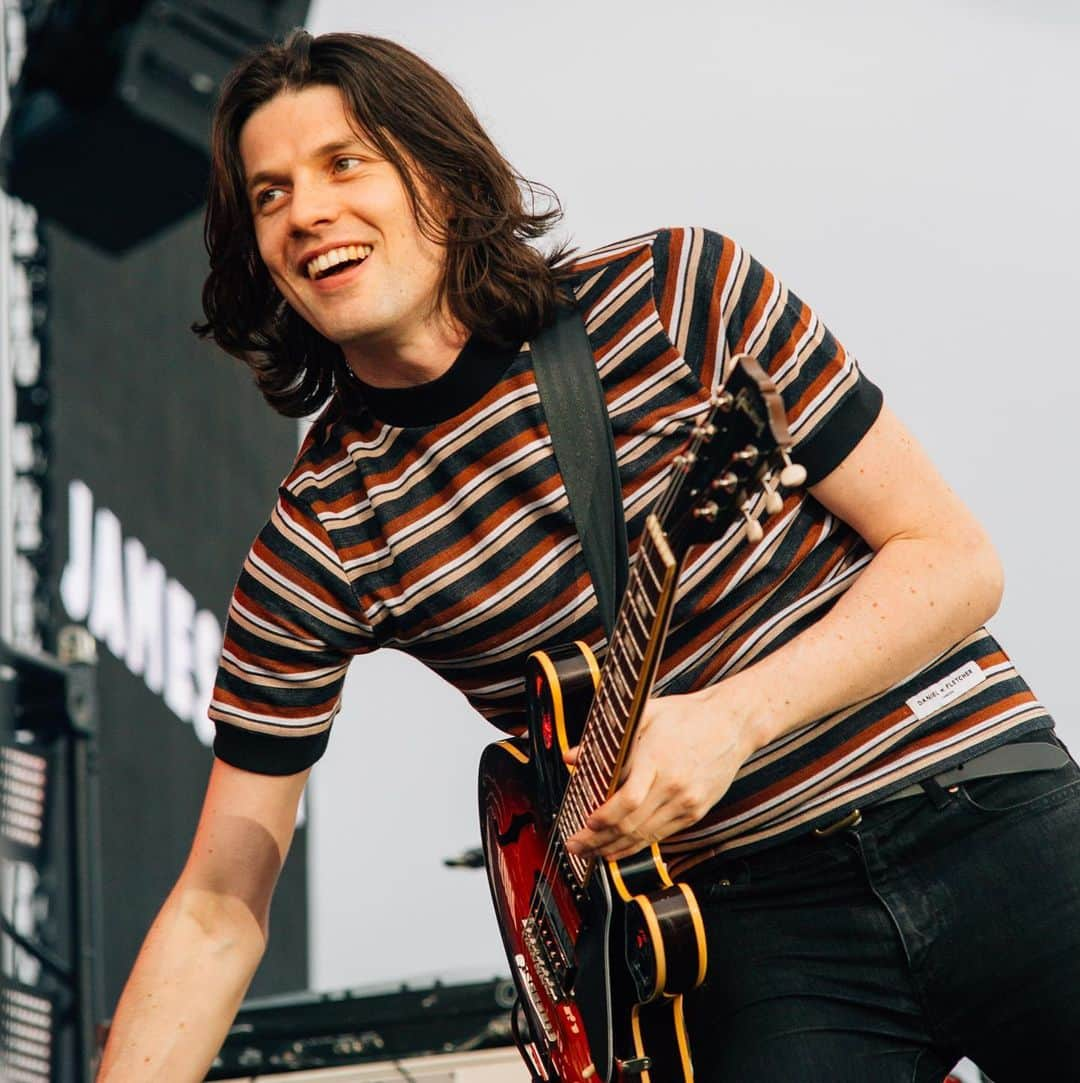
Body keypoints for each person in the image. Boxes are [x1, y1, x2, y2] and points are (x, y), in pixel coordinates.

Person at [97, 29, 1080, 1083]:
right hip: (741, 937)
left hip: (978, 804)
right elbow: (216, 905)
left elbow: (953, 558)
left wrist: (732, 719)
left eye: (345, 164)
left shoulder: (676, 293)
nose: (308, 212)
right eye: (270, 194)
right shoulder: (325, 528)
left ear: (438, 172)